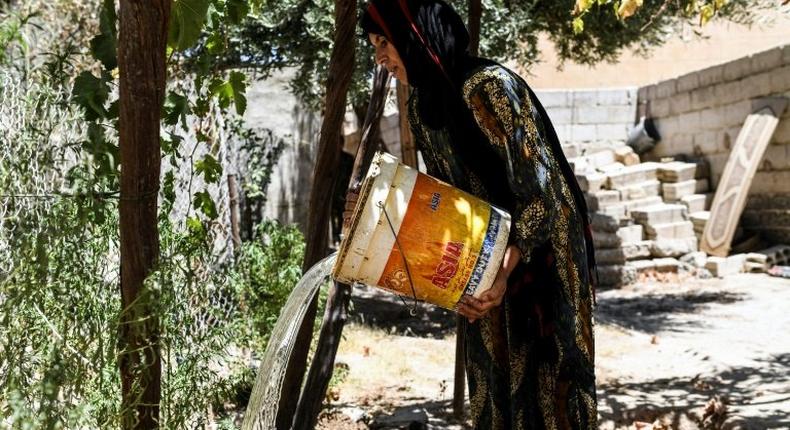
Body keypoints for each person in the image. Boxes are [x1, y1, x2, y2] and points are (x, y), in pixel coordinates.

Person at [347, 0, 599, 428]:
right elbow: (446, 203)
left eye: (384, 42)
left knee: (552, 394)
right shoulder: (421, 110)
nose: (380, 58)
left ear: (415, 35)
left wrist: (503, 269)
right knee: (494, 390)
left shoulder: (488, 88)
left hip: (544, 259)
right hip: (485, 267)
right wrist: (458, 283)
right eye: (374, 45)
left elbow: (543, 194)